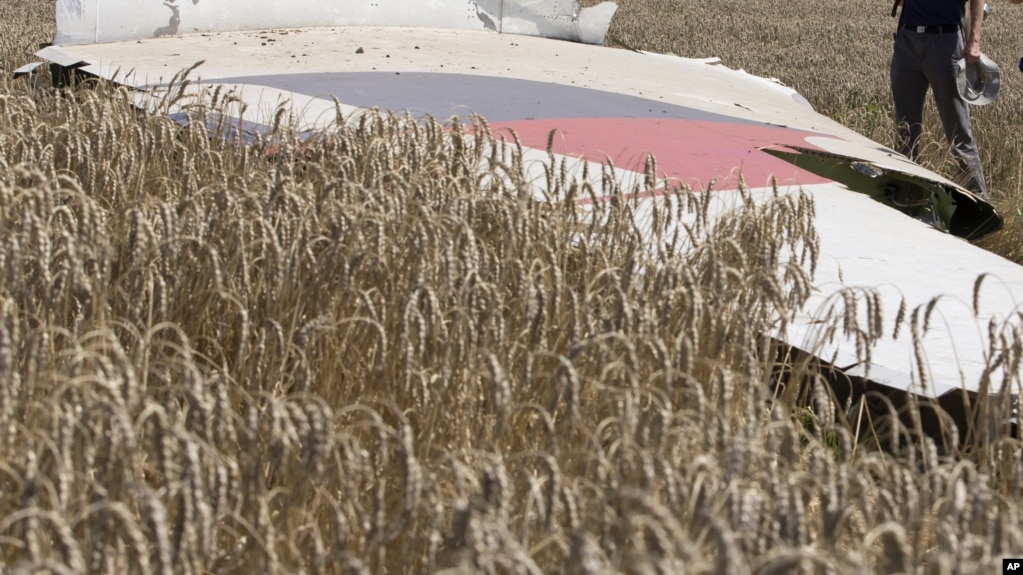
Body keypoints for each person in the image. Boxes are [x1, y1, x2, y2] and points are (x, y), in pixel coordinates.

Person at [890, 0, 990, 199]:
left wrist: (974, 41)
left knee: (958, 132)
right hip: (907, 39)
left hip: (946, 41)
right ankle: (907, 200)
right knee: (905, 132)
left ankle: (980, 205)